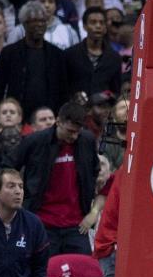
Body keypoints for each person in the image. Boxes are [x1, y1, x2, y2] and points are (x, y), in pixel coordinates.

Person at [10, 101, 98, 255]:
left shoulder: (87, 141)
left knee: (83, 272)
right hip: (43, 221)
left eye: (78, 131)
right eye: (70, 131)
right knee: (45, 273)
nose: (74, 136)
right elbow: (7, 167)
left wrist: (94, 211)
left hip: (77, 224)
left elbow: (96, 173)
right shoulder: (35, 141)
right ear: (58, 122)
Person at [0, 0, 68, 117]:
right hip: (18, 117)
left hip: (49, 118)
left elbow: (63, 91)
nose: (39, 25)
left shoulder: (57, 55)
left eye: (43, 21)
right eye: (34, 21)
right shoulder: (9, 53)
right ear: (24, 24)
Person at [64, 6, 121, 99]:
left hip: (105, 110)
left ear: (105, 27)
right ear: (84, 26)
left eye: (101, 23)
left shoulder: (114, 58)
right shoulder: (69, 55)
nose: (98, 26)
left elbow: (116, 90)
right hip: (77, 110)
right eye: (93, 22)